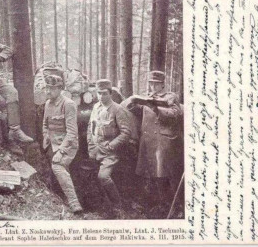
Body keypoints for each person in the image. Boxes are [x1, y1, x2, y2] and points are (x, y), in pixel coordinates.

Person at [132, 70, 183, 210]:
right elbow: (138, 112)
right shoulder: (146, 96)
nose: (153, 87)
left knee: (163, 174)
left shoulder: (170, 97)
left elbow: (175, 113)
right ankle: (153, 203)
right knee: (148, 172)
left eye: (156, 84)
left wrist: (157, 109)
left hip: (162, 139)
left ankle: (171, 205)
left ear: (162, 85)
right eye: (151, 84)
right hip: (148, 140)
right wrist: (132, 103)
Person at [87, 79, 131, 218]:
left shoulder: (118, 109)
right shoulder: (95, 107)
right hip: (96, 149)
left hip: (111, 152)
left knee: (103, 176)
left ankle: (117, 205)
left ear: (110, 93)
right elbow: (90, 128)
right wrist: (91, 146)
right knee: (89, 177)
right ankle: (101, 204)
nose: (101, 96)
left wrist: (111, 145)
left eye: (104, 93)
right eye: (98, 93)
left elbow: (126, 133)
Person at [42, 74, 83, 214]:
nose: (48, 91)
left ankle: (74, 203)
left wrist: (60, 152)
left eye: (51, 88)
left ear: (60, 89)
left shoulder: (68, 104)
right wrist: (45, 137)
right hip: (52, 143)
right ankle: (61, 198)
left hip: (69, 145)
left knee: (58, 166)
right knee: (59, 171)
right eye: (46, 88)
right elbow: (45, 124)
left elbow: (72, 133)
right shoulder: (48, 103)